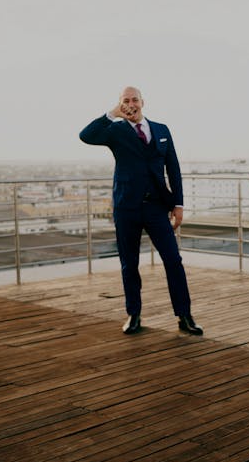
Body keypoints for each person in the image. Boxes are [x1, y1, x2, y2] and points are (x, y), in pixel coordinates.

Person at [79, 86, 203, 336]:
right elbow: (86, 135)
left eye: (134, 100)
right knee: (129, 263)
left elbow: (174, 168)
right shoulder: (115, 130)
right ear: (120, 104)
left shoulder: (161, 129)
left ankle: (184, 316)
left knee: (173, 260)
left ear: (143, 102)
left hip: (157, 207)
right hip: (127, 207)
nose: (131, 104)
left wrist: (178, 204)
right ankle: (133, 314)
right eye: (125, 101)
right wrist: (113, 113)